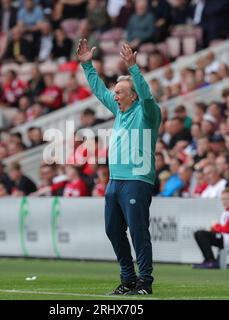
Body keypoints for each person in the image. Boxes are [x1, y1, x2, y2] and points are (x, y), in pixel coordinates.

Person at [77, 39, 161, 295]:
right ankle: (128, 279)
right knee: (113, 230)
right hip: (115, 181)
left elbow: (147, 96)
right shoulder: (120, 111)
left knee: (138, 231)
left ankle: (144, 281)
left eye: (120, 91)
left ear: (133, 95)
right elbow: (99, 91)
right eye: (115, 91)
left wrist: (134, 69)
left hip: (137, 179)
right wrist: (87, 66)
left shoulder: (148, 112)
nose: (114, 94)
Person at [193, 187, 229, 269]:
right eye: (223, 199)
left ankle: (210, 261)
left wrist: (216, 226)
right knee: (199, 234)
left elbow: (227, 230)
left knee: (200, 234)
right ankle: (210, 260)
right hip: (225, 239)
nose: (224, 202)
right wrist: (214, 229)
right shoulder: (227, 212)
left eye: (227, 199)